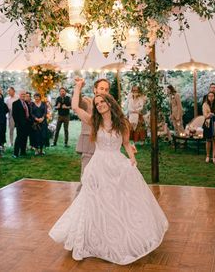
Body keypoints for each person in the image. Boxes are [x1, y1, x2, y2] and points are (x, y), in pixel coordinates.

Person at [49, 79, 168, 265]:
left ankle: (120, 237)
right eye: (97, 104)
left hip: (117, 165)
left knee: (118, 202)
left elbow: (127, 144)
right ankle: (93, 238)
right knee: (96, 202)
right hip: (98, 166)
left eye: (102, 101)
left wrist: (132, 158)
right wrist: (78, 86)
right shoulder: (94, 122)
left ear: (109, 102)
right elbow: (74, 106)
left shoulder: (122, 123)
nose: (100, 105)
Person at [76, 78, 111, 179]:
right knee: (87, 176)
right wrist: (79, 88)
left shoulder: (110, 105)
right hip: (89, 142)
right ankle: (82, 195)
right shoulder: (88, 101)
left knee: (103, 177)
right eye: (101, 88)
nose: (104, 91)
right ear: (95, 89)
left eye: (106, 89)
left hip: (105, 144)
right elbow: (79, 103)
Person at [202, 92, 215, 164]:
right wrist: (209, 114)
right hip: (208, 124)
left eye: (212, 96)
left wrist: (214, 114)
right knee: (208, 140)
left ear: (214, 97)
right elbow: (205, 115)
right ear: (207, 97)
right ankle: (207, 155)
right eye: (209, 96)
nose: (210, 97)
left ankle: (213, 156)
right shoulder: (205, 104)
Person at [12, 90, 31, 158]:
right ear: (19, 95)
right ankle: (15, 153)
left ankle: (23, 152)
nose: (23, 95)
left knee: (25, 138)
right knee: (19, 138)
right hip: (20, 124)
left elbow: (28, 113)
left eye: (24, 94)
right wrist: (17, 124)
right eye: (22, 94)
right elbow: (14, 115)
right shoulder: (15, 103)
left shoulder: (26, 103)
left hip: (27, 124)